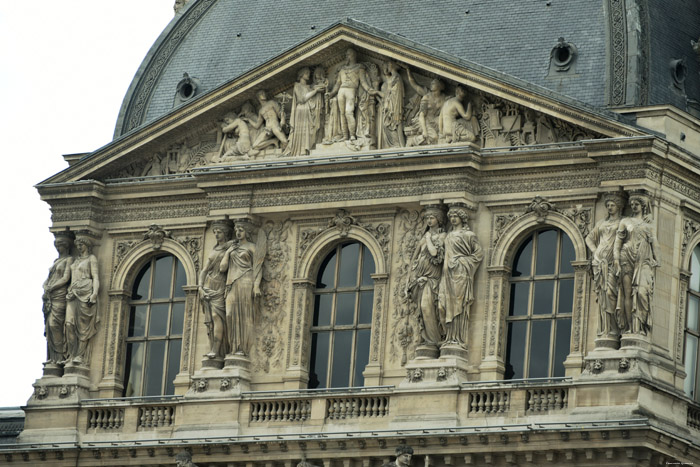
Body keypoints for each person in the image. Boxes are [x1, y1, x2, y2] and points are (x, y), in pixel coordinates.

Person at [614, 193, 659, 335]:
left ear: (643, 206)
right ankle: (629, 328)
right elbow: (618, 242)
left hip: (644, 260)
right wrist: (615, 259)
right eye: (632, 204)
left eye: (636, 204)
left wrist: (658, 259)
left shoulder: (648, 224)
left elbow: (654, 243)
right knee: (627, 293)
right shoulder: (625, 221)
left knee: (641, 293)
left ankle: (640, 326)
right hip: (626, 256)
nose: (633, 206)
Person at [439, 205, 483, 347]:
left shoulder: (469, 236)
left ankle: (457, 339)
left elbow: (478, 255)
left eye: (455, 216)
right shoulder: (448, 235)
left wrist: (462, 262)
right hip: (446, 276)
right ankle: (448, 337)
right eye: (451, 216)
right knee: (442, 306)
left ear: (462, 219)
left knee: (459, 306)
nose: (452, 219)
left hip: (461, 274)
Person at [220, 222, 264, 356]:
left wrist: (256, 285)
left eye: (241, 229)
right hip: (232, 282)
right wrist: (228, 252)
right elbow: (222, 268)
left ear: (247, 232)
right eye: (236, 230)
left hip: (246, 281)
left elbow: (258, 268)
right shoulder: (231, 249)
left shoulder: (252, 247)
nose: (238, 232)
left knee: (243, 316)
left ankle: (241, 349)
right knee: (229, 314)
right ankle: (233, 347)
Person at [585, 192, 625, 337]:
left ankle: (613, 329)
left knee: (610, 293)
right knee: (602, 295)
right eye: (607, 205)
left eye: (612, 205)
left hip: (613, 263)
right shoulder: (600, 223)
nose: (609, 207)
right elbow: (589, 239)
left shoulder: (623, 222)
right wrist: (595, 251)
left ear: (619, 206)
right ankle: (605, 329)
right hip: (599, 262)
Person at [406, 206, 447, 349]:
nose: (429, 220)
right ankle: (427, 341)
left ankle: (433, 341)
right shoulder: (425, 236)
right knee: (422, 310)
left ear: (439, 220)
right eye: (427, 218)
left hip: (432, 279)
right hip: (421, 280)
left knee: (428, 308)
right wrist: (411, 278)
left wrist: (429, 238)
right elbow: (415, 257)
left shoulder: (442, 236)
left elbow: (435, 253)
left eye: (432, 218)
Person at [199, 220, 234, 360]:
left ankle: (216, 349)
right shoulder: (214, 250)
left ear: (225, 233)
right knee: (210, 322)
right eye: (215, 232)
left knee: (216, 317)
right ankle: (213, 348)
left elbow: (223, 269)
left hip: (220, 286)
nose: (217, 235)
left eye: (219, 232)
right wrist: (200, 287)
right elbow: (204, 270)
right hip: (209, 285)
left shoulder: (230, 247)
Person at [64, 233, 100, 365]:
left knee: (83, 327)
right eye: (77, 245)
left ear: (87, 245)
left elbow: (95, 277)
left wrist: (94, 293)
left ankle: (80, 355)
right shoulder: (75, 260)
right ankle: (71, 354)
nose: (79, 247)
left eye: (81, 244)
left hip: (85, 293)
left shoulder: (91, 258)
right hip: (72, 293)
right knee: (69, 324)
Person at [326, 48, 376, 141]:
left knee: (349, 112)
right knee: (342, 114)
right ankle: (345, 136)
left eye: (349, 54)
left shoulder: (359, 68)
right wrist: (331, 93)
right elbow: (337, 84)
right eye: (346, 54)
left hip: (351, 90)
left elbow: (363, 81)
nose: (347, 56)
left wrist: (369, 90)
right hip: (341, 91)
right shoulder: (342, 69)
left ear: (354, 55)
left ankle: (352, 135)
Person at [42, 232, 74, 364]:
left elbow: (66, 278)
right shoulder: (57, 261)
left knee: (56, 324)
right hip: (51, 295)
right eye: (57, 245)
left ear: (66, 246)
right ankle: (54, 359)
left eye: (60, 245)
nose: (58, 248)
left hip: (60, 294)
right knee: (50, 325)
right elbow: (49, 278)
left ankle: (60, 356)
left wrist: (52, 287)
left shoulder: (69, 260)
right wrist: (45, 285)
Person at [284, 67, 326, 156]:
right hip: (301, 110)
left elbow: (312, 98)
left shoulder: (308, 87)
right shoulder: (297, 86)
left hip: (307, 110)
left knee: (307, 130)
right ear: (301, 75)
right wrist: (315, 91)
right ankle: (300, 150)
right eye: (306, 73)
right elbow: (302, 99)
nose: (308, 75)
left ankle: (306, 149)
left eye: (308, 73)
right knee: (302, 130)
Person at [403, 67, 446, 146]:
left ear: (440, 86)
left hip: (435, 121)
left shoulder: (444, 98)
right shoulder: (426, 97)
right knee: (434, 137)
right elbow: (421, 116)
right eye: (431, 83)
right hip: (423, 120)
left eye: (433, 83)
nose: (431, 84)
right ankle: (413, 141)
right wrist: (424, 130)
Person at [375, 61, 405, 149]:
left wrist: (376, 92)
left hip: (393, 106)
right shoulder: (389, 81)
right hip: (387, 106)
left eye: (387, 65)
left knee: (391, 124)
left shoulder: (396, 77)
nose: (386, 68)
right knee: (387, 125)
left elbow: (392, 94)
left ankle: (396, 144)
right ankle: (393, 144)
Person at [247, 90, 287, 156]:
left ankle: (285, 154)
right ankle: (273, 141)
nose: (264, 94)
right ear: (258, 97)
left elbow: (280, 113)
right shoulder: (261, 110)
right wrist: (248, 120)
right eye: (261, 93)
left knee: (285, 141)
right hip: (267, 129)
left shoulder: (272, 103)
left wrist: (283, 119)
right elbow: (257, 126)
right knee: (255, 146)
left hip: (275, 125)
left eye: (264, 93)